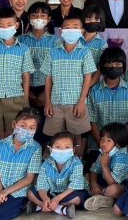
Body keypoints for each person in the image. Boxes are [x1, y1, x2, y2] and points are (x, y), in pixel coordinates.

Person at [0, 108, 42, 220]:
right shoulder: (1, 144)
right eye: (23, 125)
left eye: (32, 128)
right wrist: (0, 192)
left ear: (36, 130)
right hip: (1, 188)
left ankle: (25, 204)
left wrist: (5, 192)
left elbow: (29, 179)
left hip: (19, 191)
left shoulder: (35, 148)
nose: (27, 130)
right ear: (14, 124)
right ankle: (15, 204)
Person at [41, 16, 97, 153]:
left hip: (76, 102)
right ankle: (53, 164)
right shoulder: (53, 52)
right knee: (54, 136)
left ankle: (77, 162)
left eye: (75, 27)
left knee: (77, 135)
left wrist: (82, 102)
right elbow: (48, 78)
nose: (71, 30)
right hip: (56, 102)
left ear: (82, 31)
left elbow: (88, 78)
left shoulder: (85, 52)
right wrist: (47, 101)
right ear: (61, 31)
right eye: (67, 27)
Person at [0, 8, 33, 142]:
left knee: (14, 132)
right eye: (1, 26)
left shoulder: (23, 49)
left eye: (9, 25)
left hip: (16, 96)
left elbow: (26, 76)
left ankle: (11, 161)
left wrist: (25, 99)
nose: (5, 28)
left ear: (16, 25)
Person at [87, 48, 128, 153]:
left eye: (117, 64)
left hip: (125, 146)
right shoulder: (94, 91)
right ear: (103, 66)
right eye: (109, 64)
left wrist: (119, 144)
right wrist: (103, 145)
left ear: (123, 66)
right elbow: (92, 122)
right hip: (98, 145)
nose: (113, 67)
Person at [26, 131, 89, 218]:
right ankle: (60, 209)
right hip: (52, 192)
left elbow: (74, 185)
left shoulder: (76, 163)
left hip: (68, 193)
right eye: (58, 147)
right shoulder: (46, 164)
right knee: (30, 193)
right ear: (51, 149)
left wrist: (57, 199)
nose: (62, 150)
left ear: (73, 150)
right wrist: (45, 199)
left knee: (78, 198)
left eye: (67, 147)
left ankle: (39, 206)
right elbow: (42, 184)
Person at [84, 122, 128, 211]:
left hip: (120, 185)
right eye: (102, 139)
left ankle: (101, 196)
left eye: (108, 141)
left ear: (118, 144)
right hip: (106, 181)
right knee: (87, 177)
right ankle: (103, 196)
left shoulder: (123, 157)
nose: (103, 143)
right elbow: (94, 169)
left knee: (113, 190)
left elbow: (113, 183)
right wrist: (94, 184)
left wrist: (105, 165)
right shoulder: (104, 152)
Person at [20, 2, 56, 116]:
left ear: (49, 18)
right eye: (34, 15)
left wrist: (46, 93)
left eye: (43, 16)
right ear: (29, 17)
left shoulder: (56, 42)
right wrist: (26, 92)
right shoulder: (20, 40)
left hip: (47, 89)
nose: (38, 18)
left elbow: (58, 69)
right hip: (24, 88)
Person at [81, 4, 108, 74]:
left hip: (92, 82)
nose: (92, 22)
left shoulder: (102, 44)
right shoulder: (75, 39)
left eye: (96, 19)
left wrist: (90, 83)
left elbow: (100, 68)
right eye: (88, 19)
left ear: (101, 21)